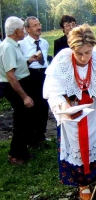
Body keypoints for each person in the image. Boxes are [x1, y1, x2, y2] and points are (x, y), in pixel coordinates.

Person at [43, 24, 96, 200]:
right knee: (78, 146)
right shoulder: (62, 61)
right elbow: (52, 89)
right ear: (71, 49)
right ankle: (83, 183)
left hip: (95, 108)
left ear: (93, 47)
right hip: (72, 111)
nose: (83, 57)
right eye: (79, 53)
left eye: (87, 52)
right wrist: (64, 108)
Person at [0, 16, 41, 165]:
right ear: (17, 31)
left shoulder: (14, 45)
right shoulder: (8, 47)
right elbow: (11, 76)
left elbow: (16, 65)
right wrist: (24, 97)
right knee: (20, 121)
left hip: (21, 82)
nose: (24, 31)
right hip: (14, 87)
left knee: (25, 120)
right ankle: (14, 155)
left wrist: (28, 60)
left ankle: (22, 151)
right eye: (23, 29)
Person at [19, 16, 49, 146]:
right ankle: (31, 138)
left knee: (44, 106)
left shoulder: (44, 43)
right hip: (30, 76)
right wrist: (29, 60)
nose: (39, 27)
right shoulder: (22, 44)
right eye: (35, 25)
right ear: (27, 29)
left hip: (44, 75)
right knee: (32, 107)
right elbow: (17, 65)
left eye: (39, 24)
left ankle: (41, 135)